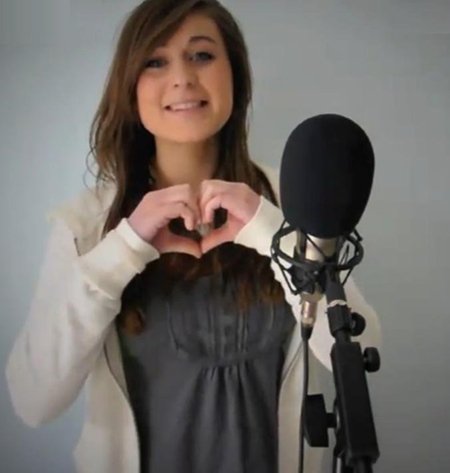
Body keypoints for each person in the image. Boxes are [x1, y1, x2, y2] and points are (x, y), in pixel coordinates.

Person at [5, 1, 381, 472]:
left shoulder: (292, 203)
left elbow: (363, 353)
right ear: (130, 87)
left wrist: (269, 230)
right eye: (155, 61)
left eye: (201, 55)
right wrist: (124, 248)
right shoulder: (85, 226)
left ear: (235, 75)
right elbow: (34, 401)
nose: (182, 78)